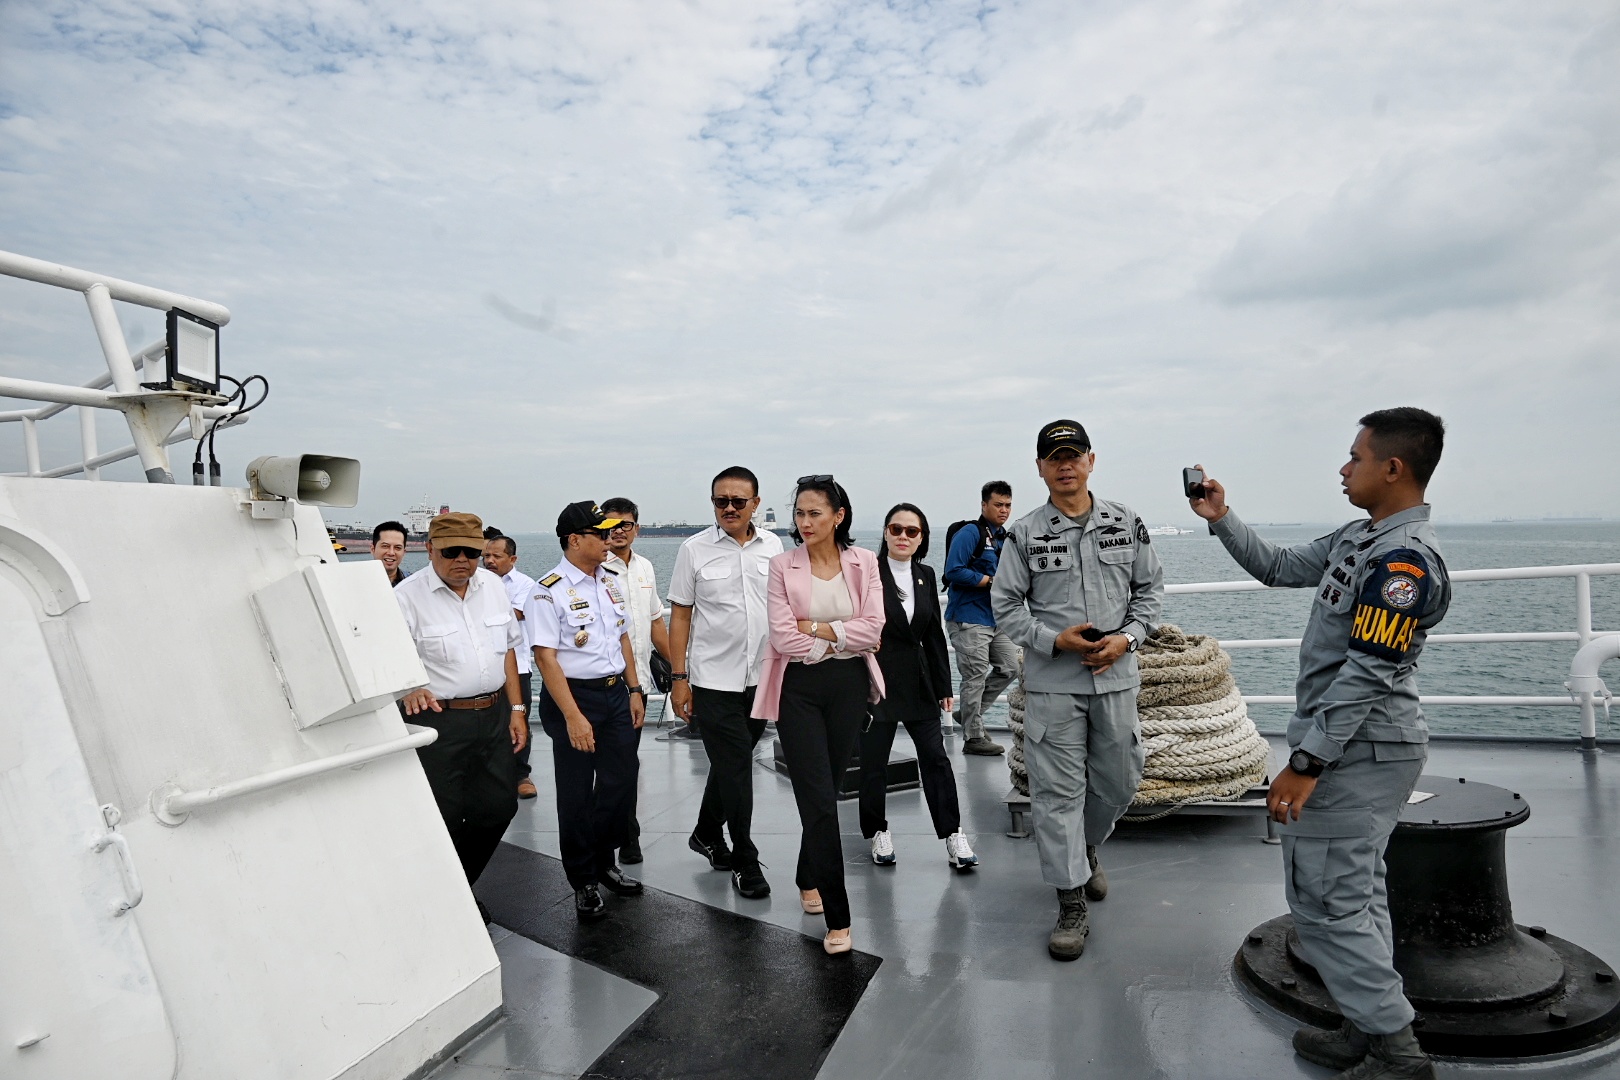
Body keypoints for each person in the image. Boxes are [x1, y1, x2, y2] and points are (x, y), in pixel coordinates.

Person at [1191, 408, 1450, 1080]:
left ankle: (1397, 1053)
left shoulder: (1402, 565)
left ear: (1392, 468)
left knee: (1328, 901)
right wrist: (1222, 518)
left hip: (1356, 749)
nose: (1344, 467)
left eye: (1355, 457)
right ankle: (1366, 1023)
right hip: (1352, 746)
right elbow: (1278, 567)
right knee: (1356, 894)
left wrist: (1306, 763)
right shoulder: (1357, 539)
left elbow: (1367, 673)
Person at [991, 420, 1163, 961]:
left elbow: (1151, 592)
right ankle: (1070, 900)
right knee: (1057, 794)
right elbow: (1005, 607)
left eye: (1074, 455)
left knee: (1118, 779)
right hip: (1052, 687)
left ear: (1091, 460)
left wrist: (1128, 640)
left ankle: (1087, 849)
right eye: (1053, 457)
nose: (1065, 465)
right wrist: (1052, 640)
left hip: (1115, 679)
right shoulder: (1023, 534)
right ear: (1040, 467)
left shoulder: (1125, 521)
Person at [752, 475, 885, 955]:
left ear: (838, 516)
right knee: (818, 799)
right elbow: (783, 637)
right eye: (799, 514)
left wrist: (821, 629)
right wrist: (835, 639)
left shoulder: (864, 561)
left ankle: (808, 873)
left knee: (828, 790)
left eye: (814, 513)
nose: (804, 522)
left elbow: (874, 629)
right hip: (799, 689)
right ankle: (840, 914)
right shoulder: (781, 566)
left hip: (850, 686)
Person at [393, 512, 529, 919]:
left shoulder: (493, 588)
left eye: (472, 552)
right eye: (451, 552)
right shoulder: (406, 596)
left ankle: (453, 890)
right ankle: (447, 901)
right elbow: (388, 658)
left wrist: (518, 709)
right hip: (439, 721)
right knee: (445, 816)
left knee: (499, 808)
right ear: (430, 549)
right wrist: (409, 686)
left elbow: (508, 649)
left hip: (492, 714)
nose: (462, 561)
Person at [667, 466, 784, 900]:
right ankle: (745, 859)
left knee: (731, 766)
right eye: (721, 501)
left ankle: (704, 832)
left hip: (762, 677)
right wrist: (679, 679)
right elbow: (680, 614)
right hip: (713, 680)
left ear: (756, 503)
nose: (729, 508)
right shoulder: (693, 550)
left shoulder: (773, 546)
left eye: (739, 501)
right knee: (737, 767)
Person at [531, 501, 648, 921]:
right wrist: (573, 716)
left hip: (616, 694)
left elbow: (622, 640)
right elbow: (546, 659)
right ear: (575, 540)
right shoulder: (548, 590)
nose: (609, 539)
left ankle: (604, 861)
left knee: (621, 780)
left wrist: (634, 689)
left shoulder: (609, 581)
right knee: (577, 792)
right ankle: (583, 880)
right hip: (573, 698)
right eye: (601, 533)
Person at [860, 503, 977, 871]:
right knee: (874, 762)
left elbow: (933, 636)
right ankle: (877, 830)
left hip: (919, 681)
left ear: (922, 538)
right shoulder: (868, 574)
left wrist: (944, 684)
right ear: (885, 532)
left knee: (936, 759)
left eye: (912, 531)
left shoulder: (925, 575)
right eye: (896, 529)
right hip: (876, 682)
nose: (903, 537)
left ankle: (953, 834)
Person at [601, 497, 672, 865]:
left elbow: (656, 621)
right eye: (610, 525)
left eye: (625, 525)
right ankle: (608, 837)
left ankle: (628, 836)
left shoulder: (644, 568)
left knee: (628, 762)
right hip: (603, 683)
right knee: (605, 765)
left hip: (638, 682)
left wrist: (679, 668)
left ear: (636, 528)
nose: (618, 531)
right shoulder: (595, 568)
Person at [943, 480, 1017, 755]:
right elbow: (953, 570)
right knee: (974, 676)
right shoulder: (969, 533)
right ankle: (973, 738)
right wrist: (988, 581)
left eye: (1008, 505)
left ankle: (969, 715)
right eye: (998, 504)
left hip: (996, 618)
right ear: (984, 505)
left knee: (1011, 667)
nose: (1004, 510)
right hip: (968, 616)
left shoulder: (1003, 536)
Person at [482, 533, 540, 800]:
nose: (489, 561)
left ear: (512, 559)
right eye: (485, 556)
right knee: (486, 720)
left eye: (496, 556)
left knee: (519, 718)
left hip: (517, 665)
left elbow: (514, 614)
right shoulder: (474, 582)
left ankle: (520, 774)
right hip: (483, 665)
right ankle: (488, 775)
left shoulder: (526, 585)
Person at [372, 520, 408, 587]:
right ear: (373, 549)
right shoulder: (355, 581)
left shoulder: (413, 583)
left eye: (397, 547)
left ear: (403, 552)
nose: (391, 553)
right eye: (385, 546)